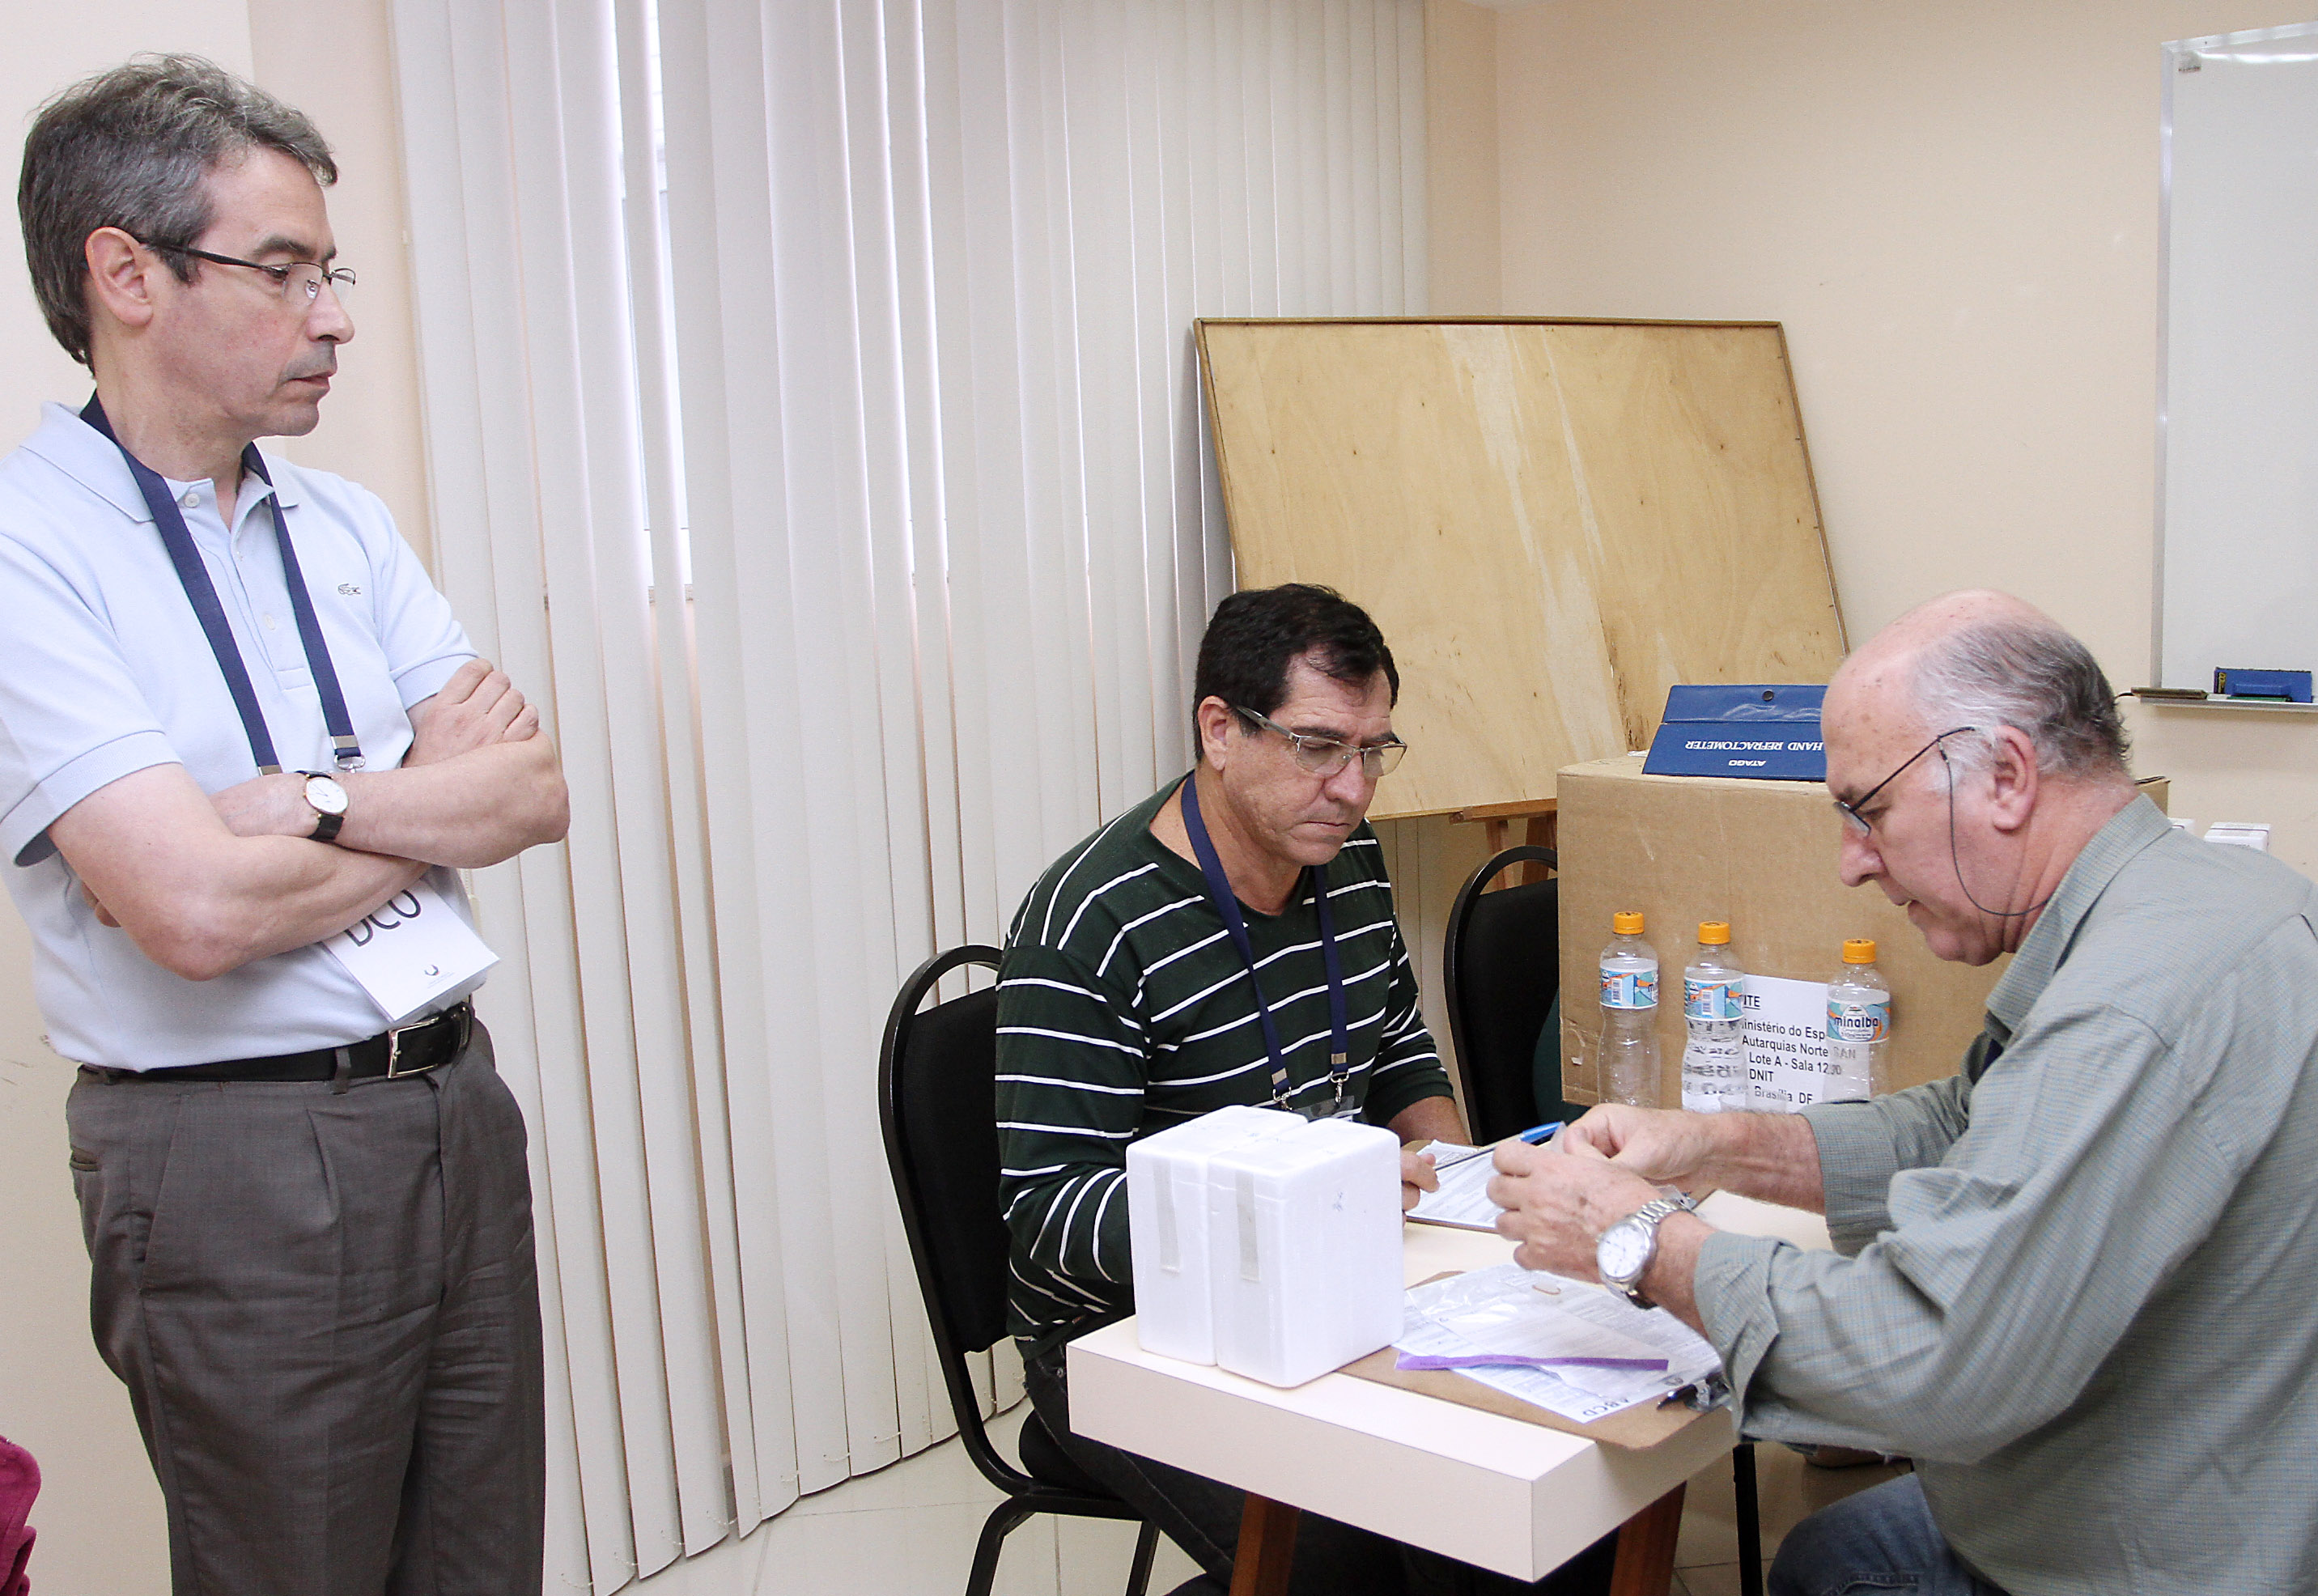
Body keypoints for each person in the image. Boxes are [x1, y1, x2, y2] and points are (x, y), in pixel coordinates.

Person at [2, 57, 569, 1594]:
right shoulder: (27, 549)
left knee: (477, 1568)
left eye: (335, 271)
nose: (335, 316)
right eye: (287, 270)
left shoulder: (344, 524)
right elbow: (188, 912)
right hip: (232, 1151)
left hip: (451, 1109)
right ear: (123, 273)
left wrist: (310, 804)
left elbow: (532, 789)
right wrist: (414, 803)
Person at [1488, 590, 2318, 1596]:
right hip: (2188, 1462)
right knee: (1830, 1555)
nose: (1850, 864)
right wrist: (1710, 1143)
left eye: (1866, 810)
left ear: (2006, 775)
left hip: (2150, 1544)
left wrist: (1642, 1239)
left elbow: (1931, 1355)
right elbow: (1967, 1123)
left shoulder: (2128, 1006)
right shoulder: (2195, 896)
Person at [996, 583, 1611, 1596]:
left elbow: (1397, 1040)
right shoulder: (1093, 921)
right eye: (1320, 746)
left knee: (1528, 1494)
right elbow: (1051, 1219)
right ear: (1220, 731)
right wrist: (1293, 1200)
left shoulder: (1344, 860)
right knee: (1347, 1557)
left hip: (1333, 1264)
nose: (1354, 788)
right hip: (1128, 1337)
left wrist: (1456, 1182)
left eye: (1373, 750)